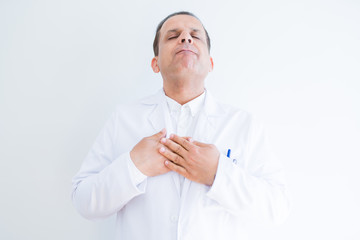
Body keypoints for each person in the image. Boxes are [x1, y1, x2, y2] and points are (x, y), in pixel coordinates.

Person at [72, 11, 290, 240]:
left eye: (195, 36)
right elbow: (83, 200)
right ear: (155, 64)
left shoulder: (243, 124)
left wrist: (217, 173)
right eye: (172, 36)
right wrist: (133, 166)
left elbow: (277, 208)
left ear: (210, 64)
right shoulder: (123, 119)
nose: (185, 38)